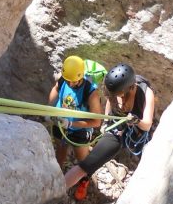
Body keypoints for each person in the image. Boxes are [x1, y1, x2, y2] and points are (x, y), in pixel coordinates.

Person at [63, 63, 155, 196]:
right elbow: (109, 103)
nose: (117, 97)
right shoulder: (115, 89)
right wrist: (106, 123)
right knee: (89, 163)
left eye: (120, 95)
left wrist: (136, 121)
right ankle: (64, 187)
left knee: (148, 160)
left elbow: (147, 124)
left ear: (129, 88)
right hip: (117, 128)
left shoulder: (146, 93)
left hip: (138, 131)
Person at [48, 55, 103, 200]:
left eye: (73, 81)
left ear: (81, 76)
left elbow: (97, 122)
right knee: (60, 149)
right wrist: (49, 108)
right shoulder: (64, 79)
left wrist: (72, 124)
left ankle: (84, 180)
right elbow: (56, 88)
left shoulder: (91, 92)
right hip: (60, 123)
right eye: (68, 80)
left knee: (83, 161)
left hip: (80, 130)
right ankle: (57, 174)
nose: (70, 84)